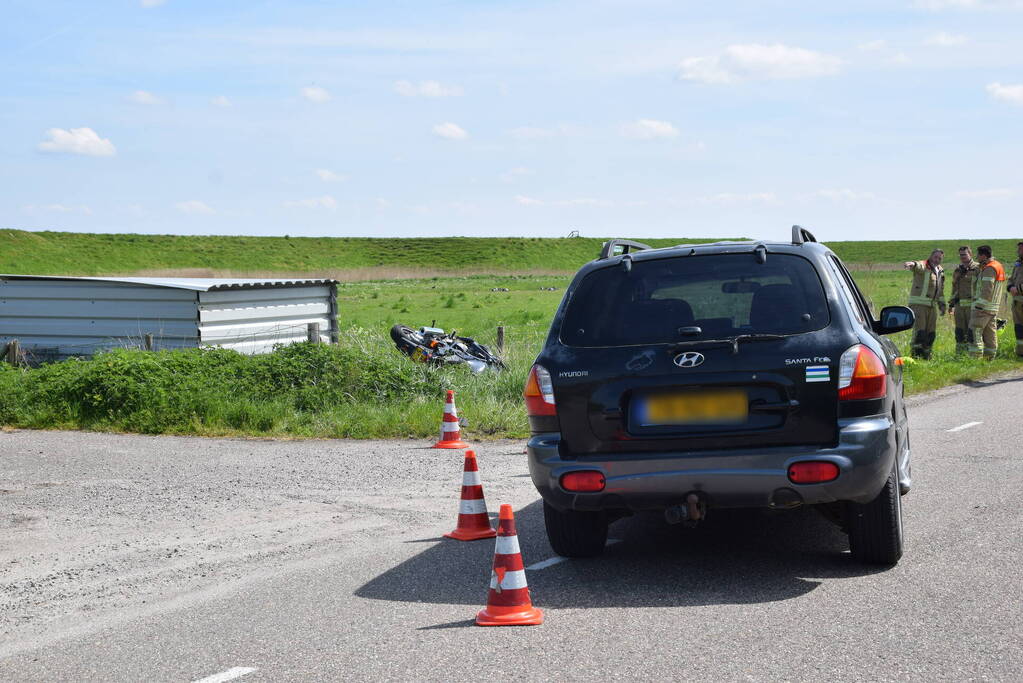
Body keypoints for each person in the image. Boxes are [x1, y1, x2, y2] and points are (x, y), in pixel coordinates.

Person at [903, 249, 945, 359]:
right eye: (935, 257)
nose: (937, 260)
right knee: (919, 332)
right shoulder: (923, 265)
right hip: (919, 305)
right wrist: (911, 264)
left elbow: (940, 290)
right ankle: (916, 357)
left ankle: (927, 356)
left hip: (932, 307)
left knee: (931, 334)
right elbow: (917, 265)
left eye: (940, 258)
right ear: (931, 256)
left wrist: (942, 304)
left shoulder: (940, 270)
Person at [968, 245, 1007, 359]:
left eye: (978, 255)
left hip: (983, 308)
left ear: (983, 255)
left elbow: (987, 290)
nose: (976, 257)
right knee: (990, 334)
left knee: (974, 332)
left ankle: (975, 358)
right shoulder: (998, 265)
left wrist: (979, 306)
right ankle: (989, 358)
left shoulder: (989, 269)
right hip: (993, 308)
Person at [948, 246, 980, 355]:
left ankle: (974, 355)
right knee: (960, 331)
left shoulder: (978, 268)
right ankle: (961, 355)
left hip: (973, 306)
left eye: (964, 254)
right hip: (959, 307)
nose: (962, 257)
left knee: (972, 331)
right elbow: (954, 288)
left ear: (970, 254)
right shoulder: (957, 270)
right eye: (960, 255)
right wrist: (951, 304)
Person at [1008, 241, 1023, 358]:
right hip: (1017, 303)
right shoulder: (1017, 263)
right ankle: (1020, 353)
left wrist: (1017, 289)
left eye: (1020, 249)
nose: (1018, 251)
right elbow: (1011, 278)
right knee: (1018, 328)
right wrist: (1010, 287)